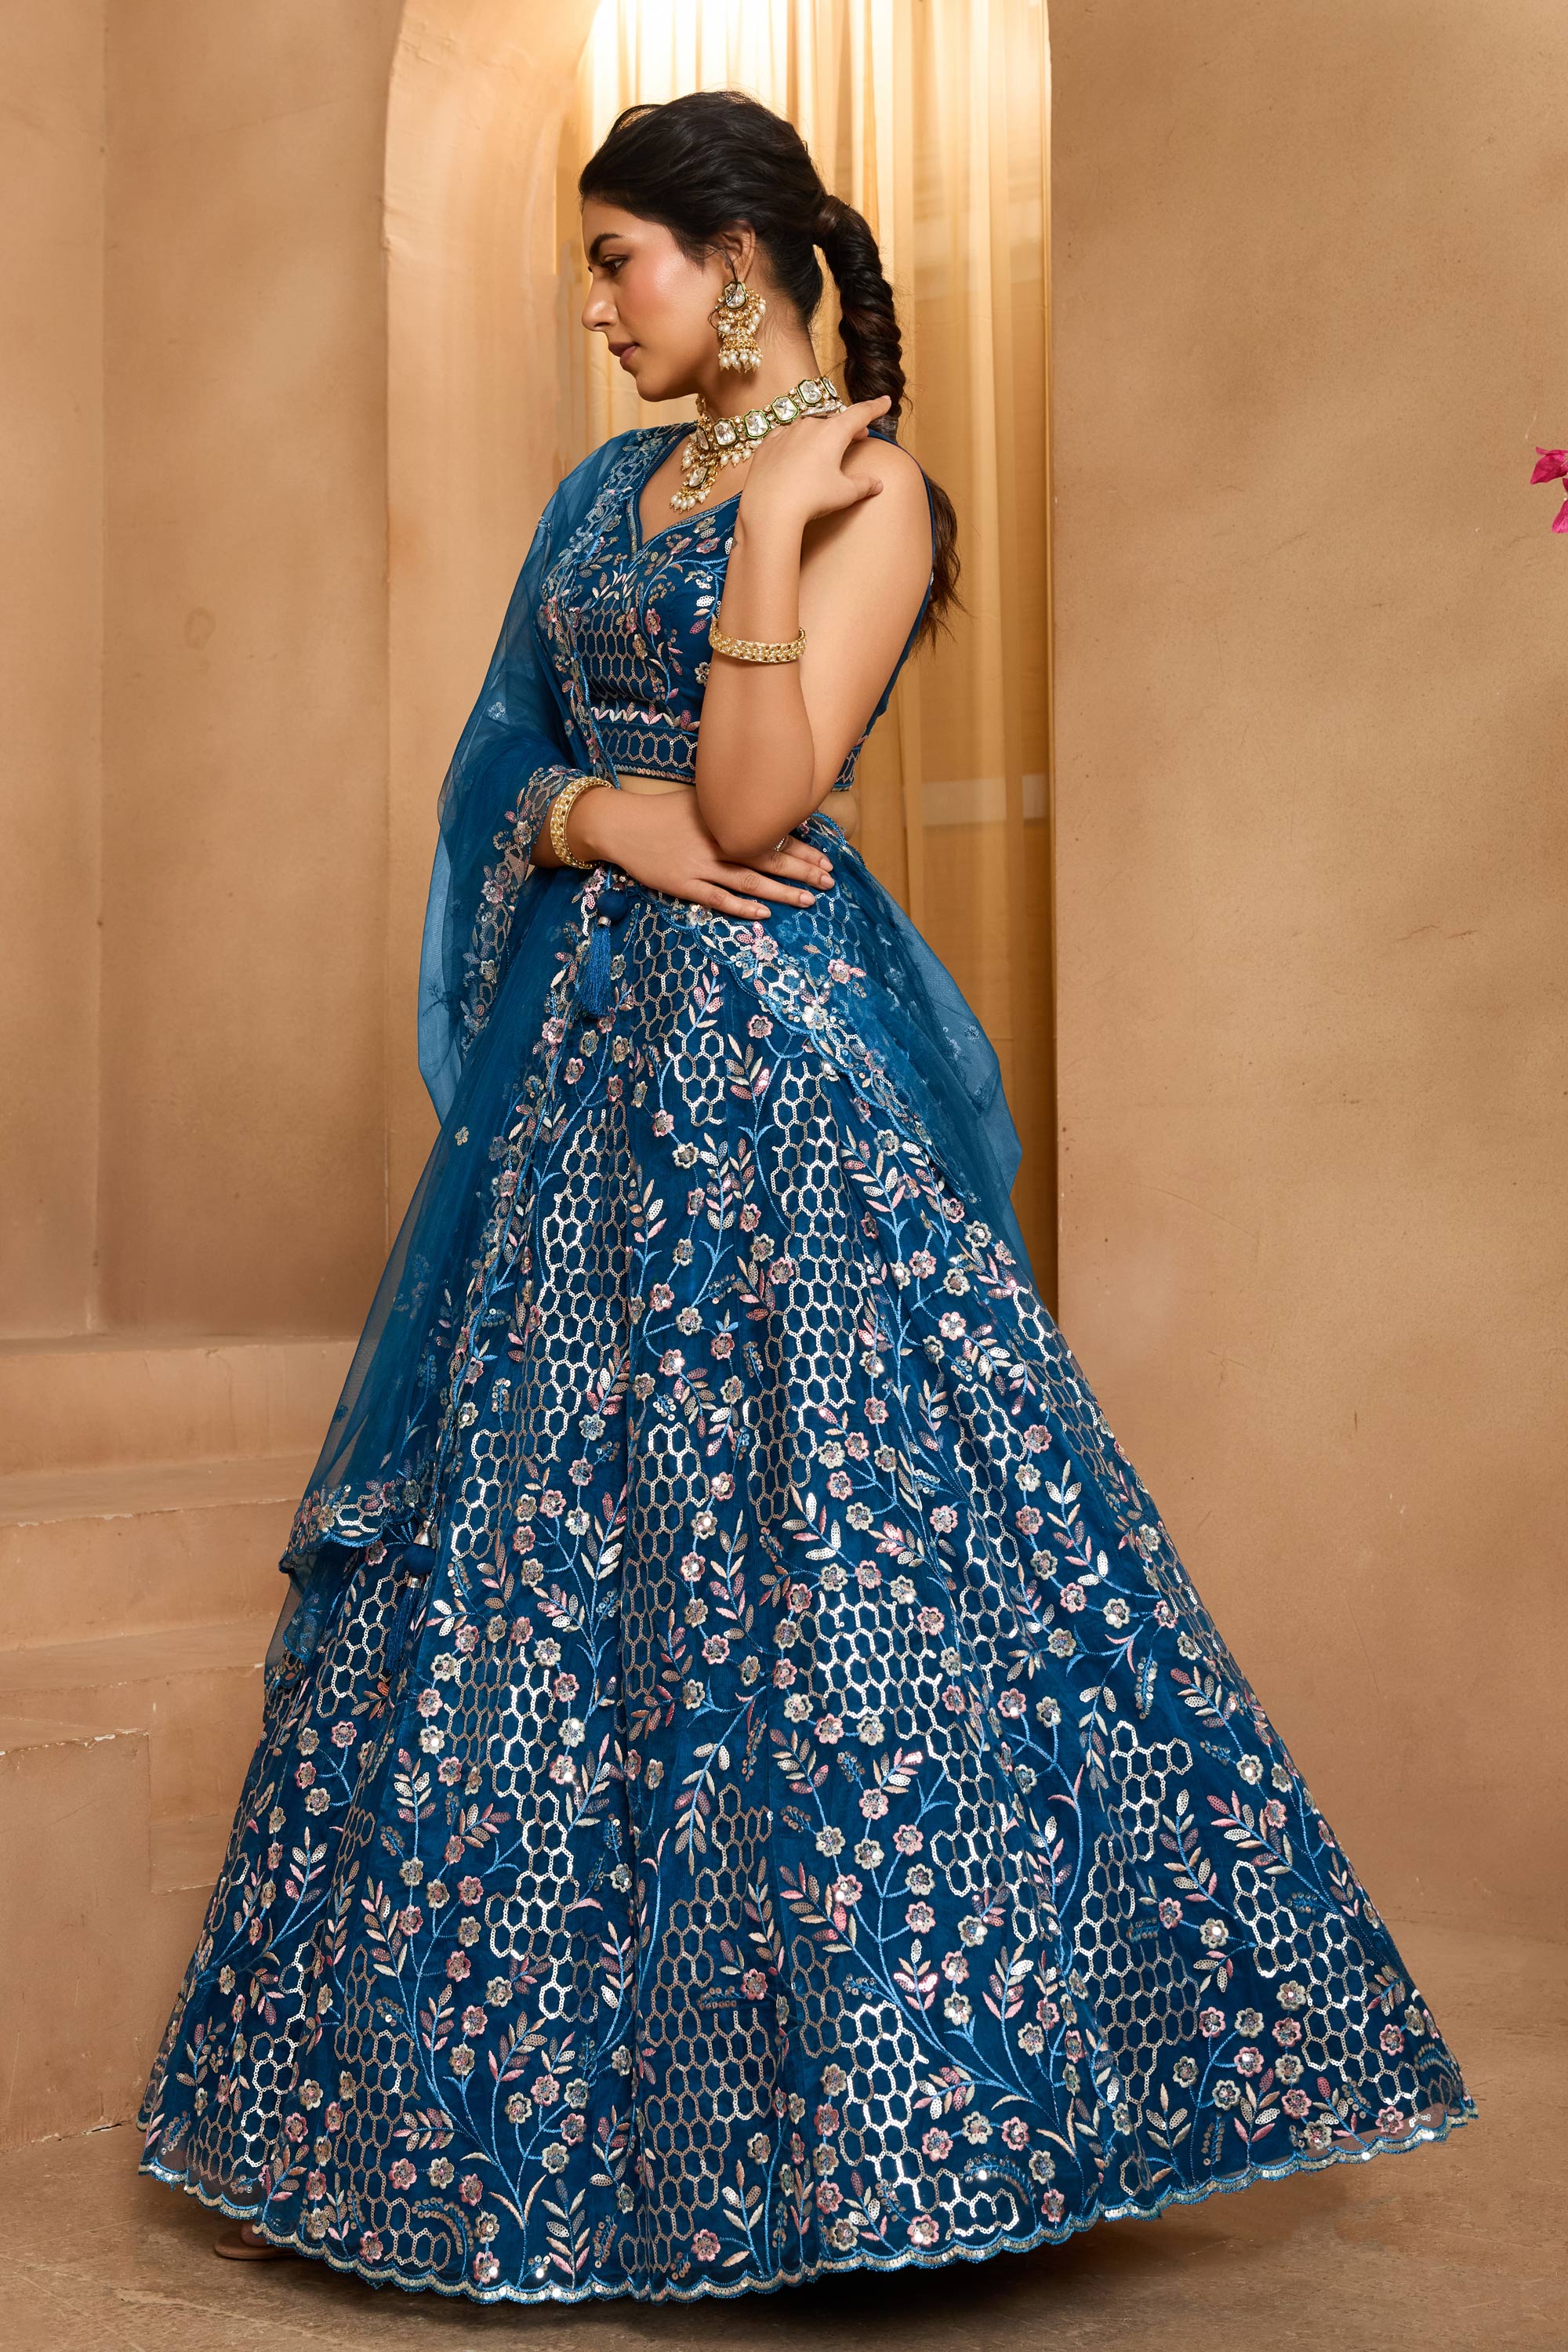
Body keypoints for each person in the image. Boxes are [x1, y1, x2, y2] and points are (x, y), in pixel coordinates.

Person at [136, 88, 1476, 2305]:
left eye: (620, 262)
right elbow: (500, 757)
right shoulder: (598, 492)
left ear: (735, 260)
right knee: (547, 1555)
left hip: (774, 1079)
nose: (598, 308)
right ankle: (496, 2144)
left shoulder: (872, 493)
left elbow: (766, 797)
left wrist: (768, 540)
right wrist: (597, 818)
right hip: (581, 1086)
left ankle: (898, 2132)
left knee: (830, 1540)